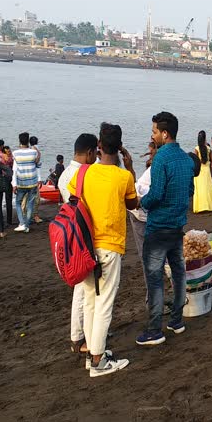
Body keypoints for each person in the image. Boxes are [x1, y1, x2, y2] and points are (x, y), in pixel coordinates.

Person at [67, 122, 138, 376]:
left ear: (98, 146)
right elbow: (133, 203)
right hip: (110, 245)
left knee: (89, 301)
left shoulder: (84, 174)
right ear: (119, 147)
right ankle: (98, 361)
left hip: (85, 246)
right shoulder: (123, 176)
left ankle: (92, 355)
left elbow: (75, 200)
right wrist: (129, 167)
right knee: (104, 303)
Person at [136, 112, 194, 347]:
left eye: (154, 132)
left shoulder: (161, 159)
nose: (153, 135)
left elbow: (156, 194)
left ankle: (154, 330)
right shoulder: (186, 159)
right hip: (177, 225)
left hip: (159, 226)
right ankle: (177, 320)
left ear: (164, 133)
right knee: (179, 274)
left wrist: (142, 201)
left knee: (155, 278)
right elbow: (190, 191)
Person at [58, 133, 99, 356]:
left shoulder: (65, 175)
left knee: (82, 288)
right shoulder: (85, 173)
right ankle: (78, 337)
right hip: (84, 237)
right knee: (84, 291)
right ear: (90, 152)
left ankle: (86, 332)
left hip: (70, 236)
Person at [11, 132, 40, 233]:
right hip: (33, 182)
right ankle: (26, 225)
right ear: (28, 141)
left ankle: (22, 223)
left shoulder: (15, 153)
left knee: (18, 202)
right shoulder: (33, 152)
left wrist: (14, 184)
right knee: (30, 204)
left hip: (21, 182)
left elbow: (14, 170)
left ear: (19, 141)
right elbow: (38, 165)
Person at [193, 131, 212, 213]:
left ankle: (201, 206)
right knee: (209, 186)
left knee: (200, 188)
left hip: (199, 170)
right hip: (206, 169)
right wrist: (211, 166)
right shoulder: (208, 148)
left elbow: (195, 160)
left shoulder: (196, 148)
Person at [0, 139, 14, 227]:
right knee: (8, 200)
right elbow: (12, 162)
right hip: (6, 178)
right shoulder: (4, 156)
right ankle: (9, 221)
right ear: (1, 146)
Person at [29, 135, 44, 224]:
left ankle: (32, 215)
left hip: (29, 177)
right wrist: (39, 178)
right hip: (34, 177)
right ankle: (35, 216)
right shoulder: (35, 150)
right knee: (36, 198)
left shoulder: (30, 150)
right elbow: (37, 165)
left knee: (30, 198)